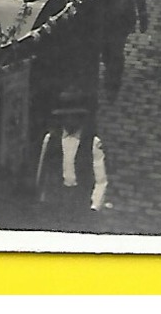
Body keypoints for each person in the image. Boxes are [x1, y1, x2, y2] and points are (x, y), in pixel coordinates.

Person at [33, 91, 109, 231]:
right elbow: (42, 174)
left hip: (80, 202)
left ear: (80, 117)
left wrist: (94, 207)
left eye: (73, 116)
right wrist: (42, 200)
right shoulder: (50, 139)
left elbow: (101, 180)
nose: (69, 120)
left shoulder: (92, 143)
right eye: (65, 116)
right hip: (55, 202)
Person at [99, 0, 147, 101]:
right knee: (106, 51)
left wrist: (143, 16)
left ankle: (113, 86)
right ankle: (109, 68)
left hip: (122, 21)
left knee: (116, 52)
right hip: (105, 20)